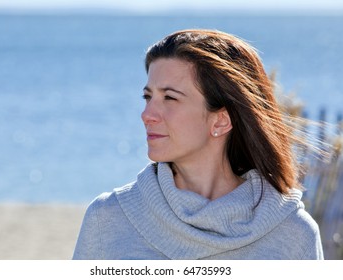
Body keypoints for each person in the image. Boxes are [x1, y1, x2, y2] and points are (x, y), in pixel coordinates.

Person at [73, 29, 324, 260]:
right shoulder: (107, 220)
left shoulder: (293, 235)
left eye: (169, 97)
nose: (147, 114)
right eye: (148, 97)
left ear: (221, 121)